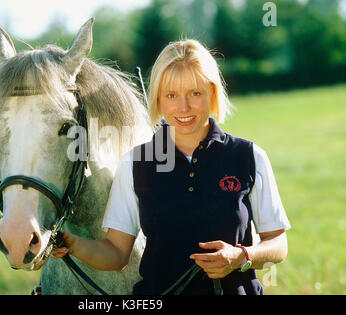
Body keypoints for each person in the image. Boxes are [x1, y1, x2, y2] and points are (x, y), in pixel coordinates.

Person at [52, 39, 291, 295]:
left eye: (195, 93)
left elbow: (278, 244)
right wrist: (72, 244)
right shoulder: (135, 164)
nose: (183, 107)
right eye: (171, 95)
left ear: (212, 93)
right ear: (158, 98)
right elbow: (117, 253)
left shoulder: (248, 156)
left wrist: (241, 256)